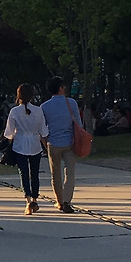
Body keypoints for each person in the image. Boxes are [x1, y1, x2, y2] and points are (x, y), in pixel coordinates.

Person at [40, 77, 83, 214]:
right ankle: (67, 201)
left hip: (53, 143)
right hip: (69, 142)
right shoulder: (71, 103)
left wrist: (45, 143)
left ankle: (59, 201)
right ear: (60, 88)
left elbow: (42, 129)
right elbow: (79, 124)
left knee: (55, 174)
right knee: (70, 172)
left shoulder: (44, 106)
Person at [4, 84, 48, 215]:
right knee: (35, 173)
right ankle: (35, 199)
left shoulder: (14, 111)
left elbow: (9, 133)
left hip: (20, 144)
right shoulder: (38, 110)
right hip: (35, 144)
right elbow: (43, 131)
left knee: (24, 173)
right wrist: (46, 147)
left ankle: (28, 201)